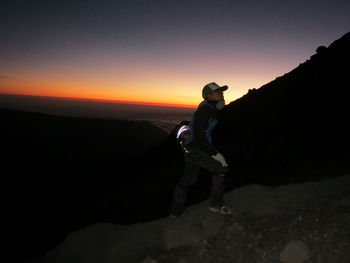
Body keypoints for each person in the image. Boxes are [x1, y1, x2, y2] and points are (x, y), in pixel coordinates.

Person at [170, 82, 233, 217]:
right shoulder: (207, 109)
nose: (222, 94)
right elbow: (199, 134)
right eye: (218, 92)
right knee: (221, 168)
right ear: (209, 95)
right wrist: (213, 153)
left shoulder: (208, 107)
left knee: (188, 178)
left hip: (190, 146)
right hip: (196, 146)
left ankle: (176, 210)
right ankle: (216, 204)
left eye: (222, 91)